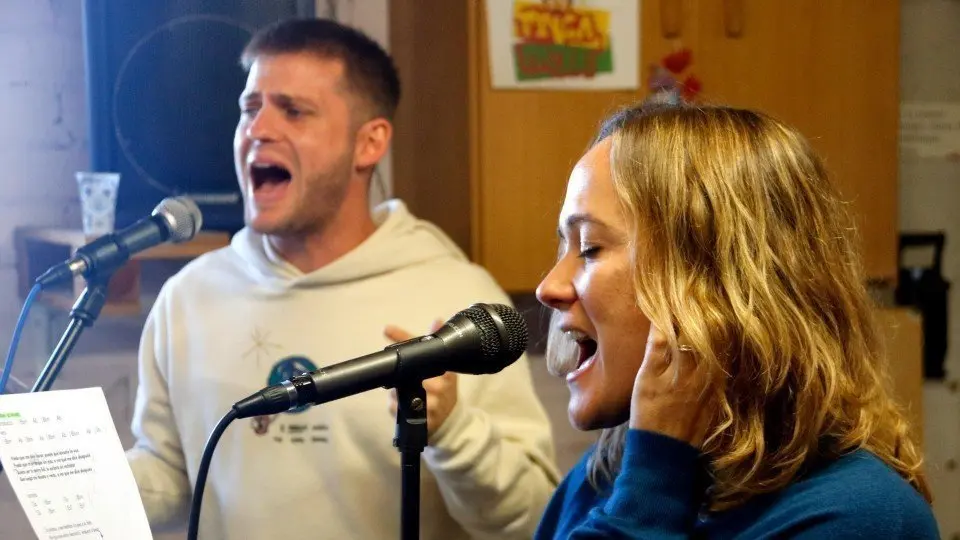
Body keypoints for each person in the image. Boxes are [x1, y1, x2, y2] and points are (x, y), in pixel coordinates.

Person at [125, 18, 559, 540]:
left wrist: (456, 432)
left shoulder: (459, 303)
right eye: (250, 108)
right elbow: (171, 478)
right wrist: (73, 479)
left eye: (293, 110)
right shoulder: (188, 297)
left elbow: (534, 519)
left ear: (369, 143)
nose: (258, 130)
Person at [533, 101, 941, 538]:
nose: (548, 287)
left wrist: (653, 486)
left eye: (591, 247)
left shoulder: (856, 517)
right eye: (565, 246)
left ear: (716, 284)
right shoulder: (596, 483)